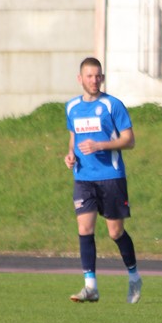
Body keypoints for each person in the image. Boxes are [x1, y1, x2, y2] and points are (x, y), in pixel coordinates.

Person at [64, 57, 142, 304]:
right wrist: (70, 154)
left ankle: (134, 277)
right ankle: (90, 286)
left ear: (103, 78)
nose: (94, 80)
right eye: (89, 76)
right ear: (80, 79)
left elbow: (129, 140)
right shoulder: (71, 107)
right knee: (84, 228)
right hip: (83, 178)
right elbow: (73, 138)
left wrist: (100, 145)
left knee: (115, 232)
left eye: (98, 76)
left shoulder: (112, 105)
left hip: (111, 177)